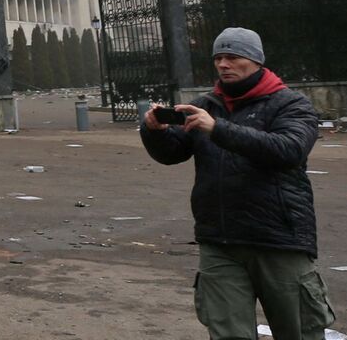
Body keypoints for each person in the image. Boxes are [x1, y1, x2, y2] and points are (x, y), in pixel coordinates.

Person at [141, 27, 336, 340]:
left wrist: (217, 129)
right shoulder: (206, 105)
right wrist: (154, 130)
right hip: (220, 241)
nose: (223, 64)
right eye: (218, 58)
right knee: (228, 334)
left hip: (278, 239)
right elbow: (171, 153)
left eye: (232, 57)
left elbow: (289, 150)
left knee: (299, 332)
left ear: (256, 60)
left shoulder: (291, 104)